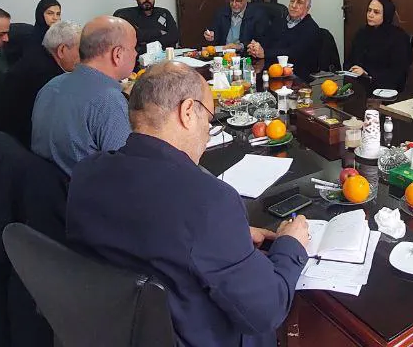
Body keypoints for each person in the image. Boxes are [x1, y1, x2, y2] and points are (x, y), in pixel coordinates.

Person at [66, 61, 311, 346]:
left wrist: (228, 238)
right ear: (187, 112)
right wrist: (290, 246)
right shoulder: (210, 201)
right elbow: (266, 310)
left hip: (114, 331)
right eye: (209, 120)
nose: (208, 132)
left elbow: (150, 232)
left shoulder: (86, 173)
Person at [30, 16, 136, 175]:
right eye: (133, 48)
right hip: (85, 187)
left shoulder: (51, 85)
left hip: (43, 183)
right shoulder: (109, 101)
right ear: (117, 54)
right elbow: (125, 171)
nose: (136, 53)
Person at [0, 20, 82, 147]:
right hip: (23, 142)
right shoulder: (49, 78)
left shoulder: (39, 56)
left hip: (8, 136)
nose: (84, 56)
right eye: (80, 49)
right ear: (61, 50)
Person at [247, 0, 323, 78]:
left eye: (299, 3)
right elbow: (267, 39)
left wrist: (265, 53)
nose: (294, 6)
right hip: (273, 69)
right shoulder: (280, 21)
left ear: (307, 8)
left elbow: (294, 53)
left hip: (297, 75)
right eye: (292, 1)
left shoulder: (311, 28)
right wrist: (255, 48)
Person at [345, 0, 413, 91]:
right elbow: (350, 59)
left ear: (386, 15)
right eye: (369, 10)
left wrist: (367, 74)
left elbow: (397, 72)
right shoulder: (362, 33)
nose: (370, 15)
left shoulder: (398, 37)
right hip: (357, 84)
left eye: (376, 12)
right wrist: (352, 69)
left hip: (384, 88)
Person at [114, 0, 179, 55]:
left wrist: (144, 45)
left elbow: (174, 36)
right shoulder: (125, 15)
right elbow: (133, 39)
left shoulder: (164, 13)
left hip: (165, 58)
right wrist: (159, 32)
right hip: (138, 59)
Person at [204, 0, 269, 51]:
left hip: (245, 54)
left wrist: (240, 46)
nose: (234, 4)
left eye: (238, 1)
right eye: (231, 0)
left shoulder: (258, 15)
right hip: (223, 52)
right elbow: (215, 33)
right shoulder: (221, 12)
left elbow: (261, 41)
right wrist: (211, 36)